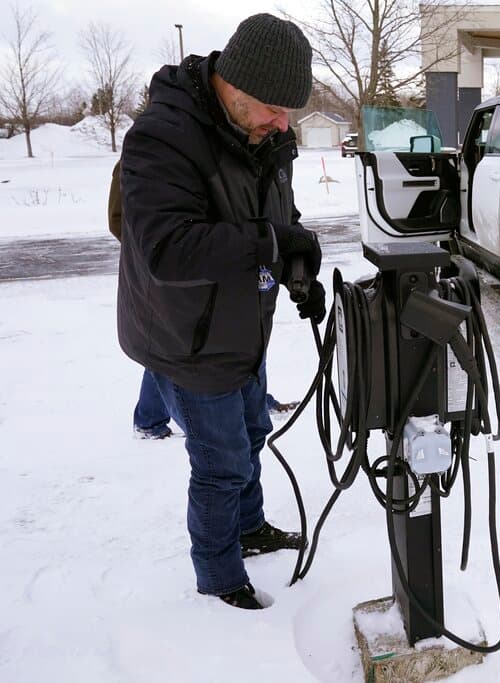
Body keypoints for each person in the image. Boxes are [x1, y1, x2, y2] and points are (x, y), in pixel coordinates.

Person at [116, 13, 326, 610]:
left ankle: (248, 527)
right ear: (234, 87)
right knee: (220, 462)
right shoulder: (163, 137)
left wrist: (297, 266)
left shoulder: (266, 134)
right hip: (186, 335)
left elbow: (280, 217)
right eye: (274, 109)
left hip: (243, 326)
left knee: (253, 433)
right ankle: (218, 579)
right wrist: (270, 243)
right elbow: (167, 248)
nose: (284, 123)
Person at [108, 165, 299, 440]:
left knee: (228, 345)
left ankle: (248, 401)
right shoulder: (146, 157)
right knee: (170, 352)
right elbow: (122, 221)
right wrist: (155, 256)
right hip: (176, 286)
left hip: (232, 279)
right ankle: (149, 419)